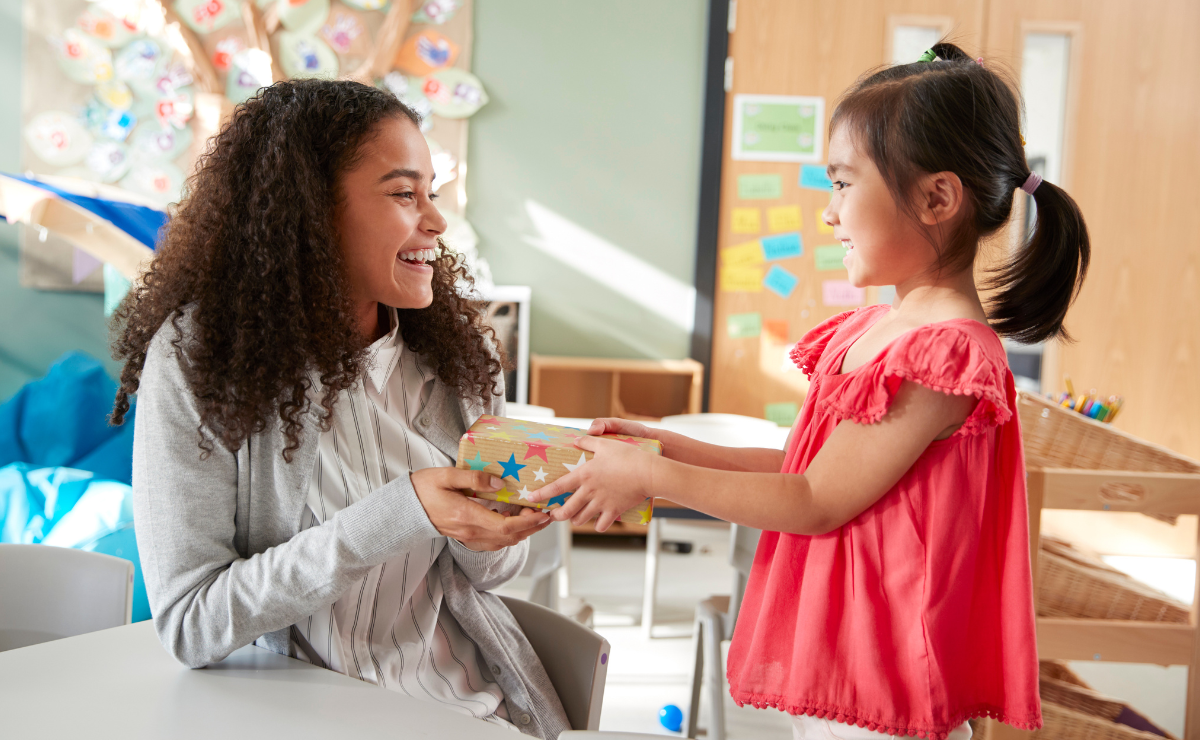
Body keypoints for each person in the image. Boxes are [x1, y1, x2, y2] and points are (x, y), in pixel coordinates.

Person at [532, 42, 1091, 739]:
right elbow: (811, 470)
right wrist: (669, 449)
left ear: (937, 198)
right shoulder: (885, 327)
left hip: (885, 681)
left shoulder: (943, 354)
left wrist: (652, 475)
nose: (829, 214)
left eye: (843, 184)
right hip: (845, 663)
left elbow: (816, 502)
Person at [111, 79, 570, 739]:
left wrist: (490, 528)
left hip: (460, 710)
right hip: (284, 719)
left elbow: (489, 578)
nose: (435, 221)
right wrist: (405, 510)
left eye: (432, 193)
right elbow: (192, 623)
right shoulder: (201, 359)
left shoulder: (459, 357)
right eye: (403, 193)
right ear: (309, 211)